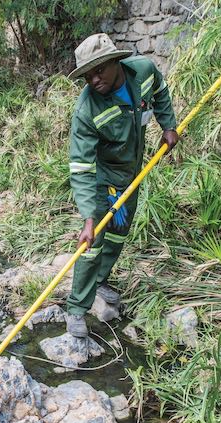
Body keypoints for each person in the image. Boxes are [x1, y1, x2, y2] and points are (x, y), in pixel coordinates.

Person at [65, 33, 179, 338]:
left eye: (99, 70)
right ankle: (76, 308)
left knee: (118, 233)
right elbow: (81, 168)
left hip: (131, 175)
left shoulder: (143, 71)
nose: (94, 79)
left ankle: (100, 281)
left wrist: (168, 125)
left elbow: (161, 90)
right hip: (102, 179)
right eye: (87, 75)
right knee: (93, 244)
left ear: (116, 61)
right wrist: (89, 217)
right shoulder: (87, 109)